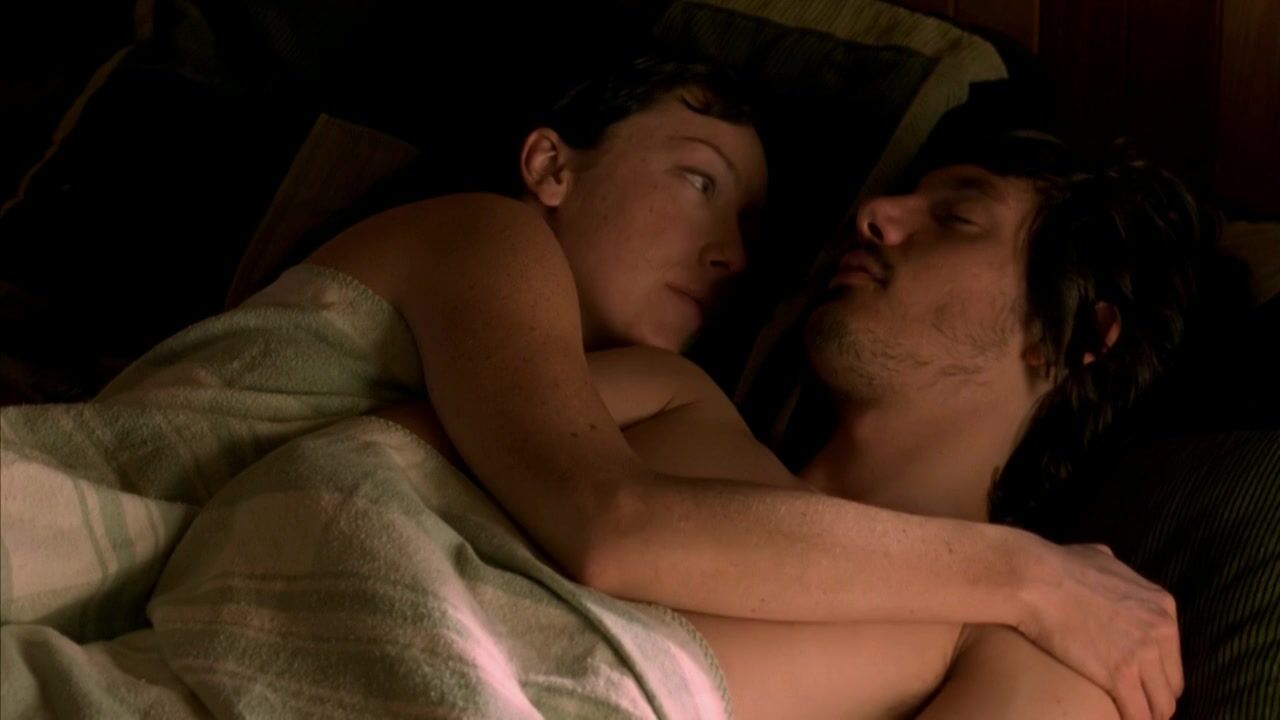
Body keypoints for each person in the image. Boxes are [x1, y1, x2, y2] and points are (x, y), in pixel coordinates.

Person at [306, 57, 1184, 719]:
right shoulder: (670, 396)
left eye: (956, 217)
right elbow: (352, 473)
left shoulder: (1027, 652)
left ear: (1075, 338)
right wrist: (1025, 572)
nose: (875, 215)